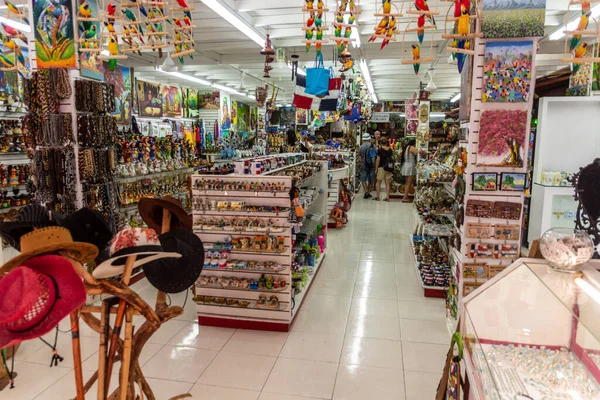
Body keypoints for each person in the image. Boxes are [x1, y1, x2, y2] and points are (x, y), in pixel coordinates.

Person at [358, 133, 376, 198]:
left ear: (363, 140)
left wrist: (360, 163)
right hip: (371, 165)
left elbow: (359, 156)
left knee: (363, 179)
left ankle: (366, 192)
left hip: (363, 165)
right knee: (371, 180)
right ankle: (368, 192)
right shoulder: (373, 146)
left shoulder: (361, 147)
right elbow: (376, 155)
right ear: (369, 139)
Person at [400, 138, 417, 203]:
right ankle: (405, 197)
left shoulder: (407, 147)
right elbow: (417, 153)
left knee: (407, 183)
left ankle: (405, 197)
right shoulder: (412, 147)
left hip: (406, 166)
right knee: (408, 183)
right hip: (410, 166)